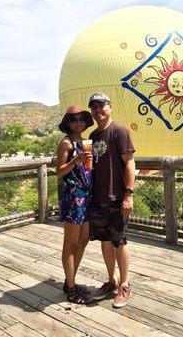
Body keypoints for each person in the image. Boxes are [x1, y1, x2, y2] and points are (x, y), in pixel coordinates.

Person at [88, 92, 135, 308]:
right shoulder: (94, 136)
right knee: (105, 242)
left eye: (101, 106)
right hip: (98, 198)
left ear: (110, 107)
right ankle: (111, 281)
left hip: (117, 197)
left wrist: (128, 194)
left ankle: (124, 284)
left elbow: (129, 163)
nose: (97, 111)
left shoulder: (119, 131)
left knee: (120, 241)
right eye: (93, 107)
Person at [56, 105, 94, 304]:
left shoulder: (86, 141)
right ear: (67, 123)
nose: (78, 122)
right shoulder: (66, 143)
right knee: (70, 244)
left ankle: (69, 280)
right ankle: (71, 290)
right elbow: (58, 171)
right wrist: (75, 161)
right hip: (73, 195)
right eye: (73, 119)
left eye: (81, 119)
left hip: (87, 195)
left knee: (84, 239)